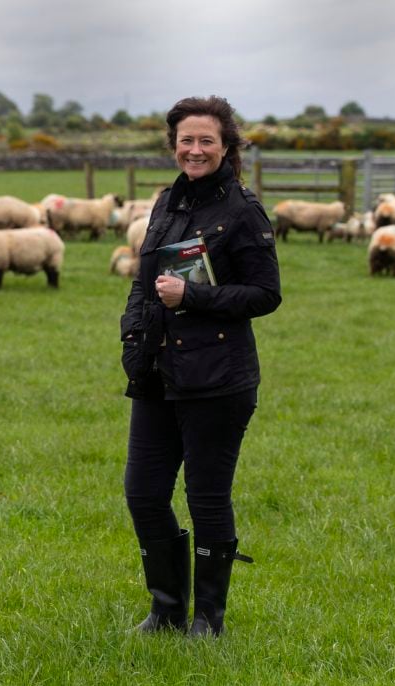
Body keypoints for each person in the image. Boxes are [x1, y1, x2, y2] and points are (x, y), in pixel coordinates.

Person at [118, 96, 281, 637]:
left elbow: (265, 294)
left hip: (218, 378)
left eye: (206, 140)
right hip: (158, 373)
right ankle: (166, 609)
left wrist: (193, 298)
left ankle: (208, 619)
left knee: (206, 498)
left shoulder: (242, 210)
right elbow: (145, 281)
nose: (195, 149)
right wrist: (133, 337)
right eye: (186, 140)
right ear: (173, 145)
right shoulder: (166, 202)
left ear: (226, 145)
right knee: (143, 492)